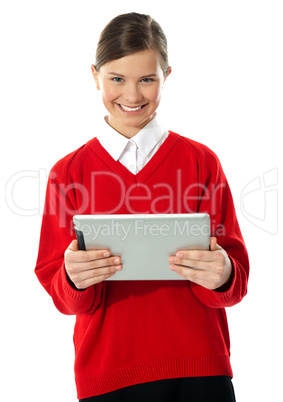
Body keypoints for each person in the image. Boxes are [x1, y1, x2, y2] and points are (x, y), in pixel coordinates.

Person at [35, 12, 249, 402]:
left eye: (147, 79)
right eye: (117, 79)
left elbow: (235, 280)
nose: (132, 96)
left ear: (166, 75)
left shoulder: (201, 161)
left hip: (201, 369)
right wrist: (72, 277)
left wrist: (223, 272)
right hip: (109, 373)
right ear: (95, 75)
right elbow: (60, 290)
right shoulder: (67, 173)